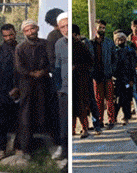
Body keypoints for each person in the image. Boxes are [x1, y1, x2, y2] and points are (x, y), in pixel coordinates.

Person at [15, 19, 53, 155]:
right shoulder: (20, 48)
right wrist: (31, 73)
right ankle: (25, 149)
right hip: (27, 85)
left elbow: (52, 61)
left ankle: (52, 149)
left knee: (47, 114)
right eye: (27, 30)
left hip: (44, 84)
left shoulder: (45, 44)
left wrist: (43, 72)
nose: (30, 32)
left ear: (37, 28)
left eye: (32, 29)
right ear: (24, 33)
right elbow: (19, 67)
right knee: (26, 116)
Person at [0, 23, 20, 153]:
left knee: (19, 121)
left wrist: (17, 88)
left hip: (19, 91)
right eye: (5, 36)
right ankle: (1, 148)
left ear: (15, 33)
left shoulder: (20, 48)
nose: (8, 38)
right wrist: (6, 91)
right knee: (1, 123)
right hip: (3, 93)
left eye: (11, 35)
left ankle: (18, 148)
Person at [89, 20, 116, 128]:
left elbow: (115, 58)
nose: (102, 30)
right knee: (98, 100)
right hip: (96, 75)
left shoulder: (109, 42)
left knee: (110, 99)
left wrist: (111, 70)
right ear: (96, 29)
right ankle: (99, 121)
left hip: (107, 74)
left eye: (104, 28)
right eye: (100, 27)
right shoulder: (91, 43)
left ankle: (111, 121)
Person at [72, 24, 93, 138]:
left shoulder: (81, 46)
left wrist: (76, 66)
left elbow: (90, 62)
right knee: (71, 107)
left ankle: (84, 128)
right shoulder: (63, 45)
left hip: (80, 80)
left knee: (81, 106)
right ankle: (72, 129)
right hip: (68, 81)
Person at [53, 13, 69, 160]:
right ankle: (64, 150)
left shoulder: (80, 42)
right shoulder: (58, 44)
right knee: (63, 124)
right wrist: (58, 87)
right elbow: (57, 67)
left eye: (67, 25)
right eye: (62, 27)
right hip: (63, 91)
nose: (66, 29)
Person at [112, 32, 136, 124]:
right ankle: (114, 117)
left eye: (122, 39)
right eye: (118, 40)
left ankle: (126, 116)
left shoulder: (129, 51)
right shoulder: (114, 51)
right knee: (117, 99)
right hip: (118, 79)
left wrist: (131, 79)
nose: (120, 41)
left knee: (126, 98)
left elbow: (132, 66)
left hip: (127, 78)